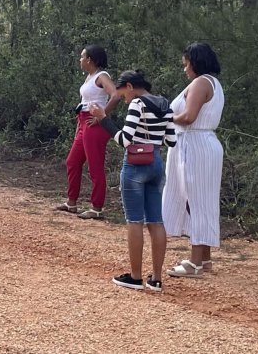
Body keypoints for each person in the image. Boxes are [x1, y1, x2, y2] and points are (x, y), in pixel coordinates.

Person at [90, 70, 176, 292]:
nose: (124, 99)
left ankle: (136, 276)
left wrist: (103, 120)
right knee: (156, 221)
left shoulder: (137, 104)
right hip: (157, 162)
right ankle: (156, 278)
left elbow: (126, 140)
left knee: (135, 220)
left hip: (136, 164)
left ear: (129, 86)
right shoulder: (165, 103)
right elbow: (171, 140)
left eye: (123, 95)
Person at [162, 43, 225, 277]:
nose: (185, 69)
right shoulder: (213, 83)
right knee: (201, 200)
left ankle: (195, 261)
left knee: (197, 202)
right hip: (199, 144)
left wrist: (165, 117)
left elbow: (188, 116)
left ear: (196, 62)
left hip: (195, 145)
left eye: (187, 63)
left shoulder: (201, 83)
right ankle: (204, 258)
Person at [58, 45, 120, 219]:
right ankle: (71, 202)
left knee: (95, 166)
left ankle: (97, 207)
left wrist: (103, 115)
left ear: (90, 59)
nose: (80, 60)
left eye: (82, 57)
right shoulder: (89, 77)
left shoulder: (102, 76)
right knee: (72, 161)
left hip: (95, 124)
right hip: (84, 122)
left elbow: (115, 96)